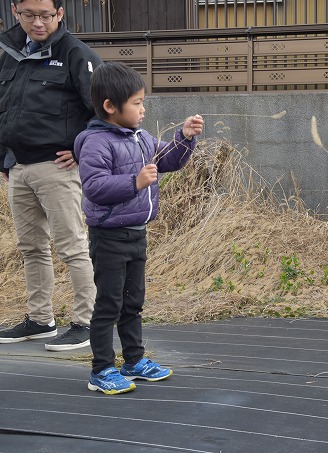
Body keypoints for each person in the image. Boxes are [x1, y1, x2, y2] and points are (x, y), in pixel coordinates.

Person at [74, 61, 203, 395]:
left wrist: (184, 137)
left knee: (133, 303)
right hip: (109, 236)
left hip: (136, 233)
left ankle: (134, 361)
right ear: (110, 107)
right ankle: (101, 370)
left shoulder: (140, 137)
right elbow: (95, 187)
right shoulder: (95, 142)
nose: (143, 109)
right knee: (109, 305)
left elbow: (168, 160)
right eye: (137, 103)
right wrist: (134, 182)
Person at [0, 0, 102, 351]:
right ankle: (40, 320)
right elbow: (5, 107)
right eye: (29, 15)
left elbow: (103, 110)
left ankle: (86, 322)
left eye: (46, 15)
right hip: (19, 167)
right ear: (15, 11)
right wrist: (5, 161)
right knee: (30, 248)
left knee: (72, 246)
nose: (38, 22)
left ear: (60, 13)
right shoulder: (10, 51)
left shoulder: (77, 53)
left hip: (58, 167)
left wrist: (80, 149)